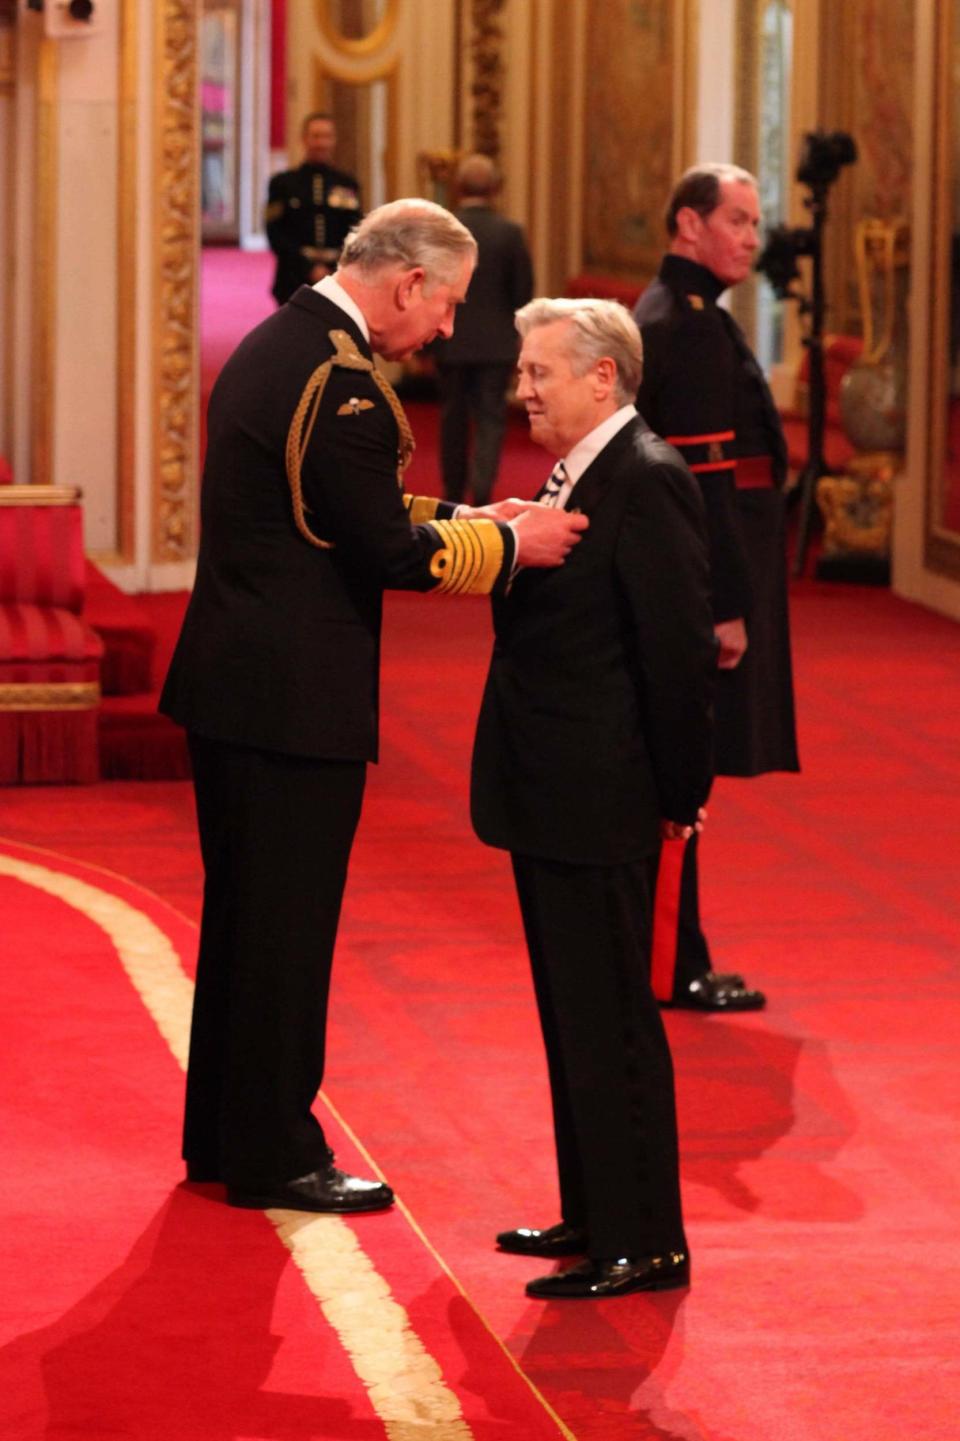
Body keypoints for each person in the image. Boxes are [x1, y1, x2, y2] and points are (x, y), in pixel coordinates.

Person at [160, 200, 588, 1215]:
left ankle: (225, 1133)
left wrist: (464, 513)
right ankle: (276, 1151)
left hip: (237, 684)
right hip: (288, 699)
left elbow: (346, 502)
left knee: (244, 922)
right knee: (286, 928)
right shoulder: (339, 377)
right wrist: (509, 549)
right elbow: (381, 549)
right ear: (405, 284)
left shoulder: (285, 345)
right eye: (444, 305)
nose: (446, 330)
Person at [471, 298, 716, 1298]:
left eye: (539, 372)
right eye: (524, 371)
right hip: (554, 792)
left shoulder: (649, 478)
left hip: (603, 794)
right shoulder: (581, 471)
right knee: (574, 1012)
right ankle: (595, 1211)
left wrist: (679, 793)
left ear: (603, 377)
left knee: (613, 1019)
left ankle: (645, 1239)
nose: (521, 388)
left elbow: (678, 656)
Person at [633, 163, 800, 1013]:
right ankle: (672, 962)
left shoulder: (676, 312)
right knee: (681, 779)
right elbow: (704, 479)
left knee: (680, 773)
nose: (749, 235)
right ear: (687, 224)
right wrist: (728, 606)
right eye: (735, 218)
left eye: (755, 221)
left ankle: (678, 952)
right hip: (703, 585)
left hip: (688, 579)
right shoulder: (690, 326)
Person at [434, 153, 534, 505]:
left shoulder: (444, 232)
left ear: (459, 187)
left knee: (453, 418)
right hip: (496, 344)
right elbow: (523, 292)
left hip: (450, 340)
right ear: (495, 188)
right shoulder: (510, 233)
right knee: (491, 418)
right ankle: (482, 491)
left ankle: (452, 492)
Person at [265, 112, 362, 306]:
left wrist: (333, 267)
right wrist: (308, 267)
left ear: (334, 140)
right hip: (293, 277)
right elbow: (275, 232)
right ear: (304, 139)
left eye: (327, 137)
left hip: (338, 277)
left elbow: (355, 230)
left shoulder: (346, 184)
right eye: (316, 136)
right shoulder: (283, 184)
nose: (321, 143)